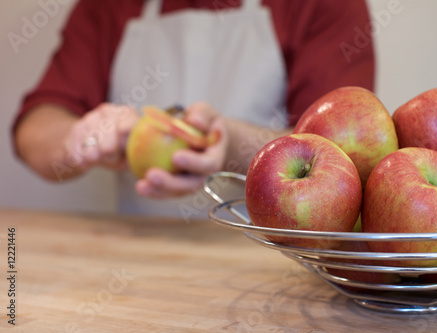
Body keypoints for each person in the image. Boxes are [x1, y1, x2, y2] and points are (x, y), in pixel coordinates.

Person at [12, 0, 374, 219]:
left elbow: (341, 158)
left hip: (275, 265)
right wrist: (78, 139)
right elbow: (36, 127)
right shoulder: (107, 7)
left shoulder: (322, 6)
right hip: (138, 261)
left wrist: (231, 144)